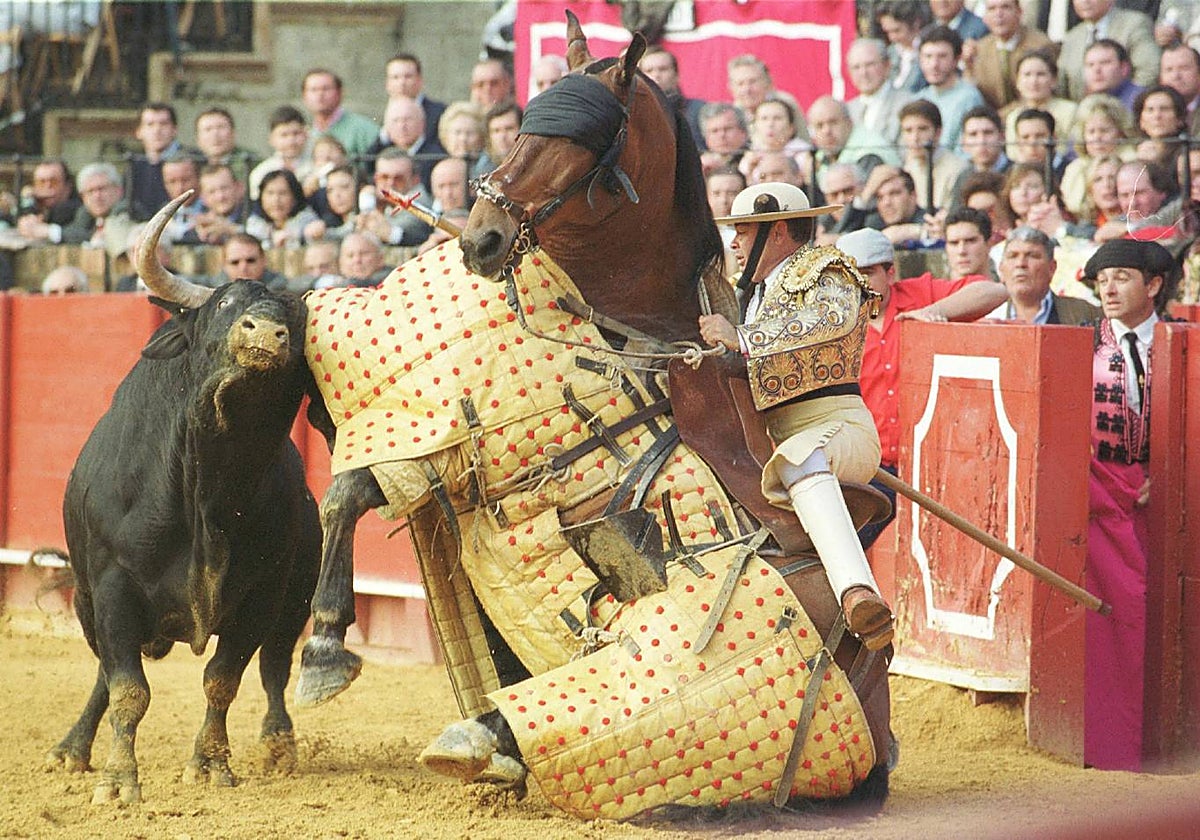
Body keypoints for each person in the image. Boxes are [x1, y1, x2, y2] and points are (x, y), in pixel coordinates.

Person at [696, 181, 894, 650]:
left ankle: (857, 592)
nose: (736, 244)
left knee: (800, 458)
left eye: (743, 231)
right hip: (777, 442)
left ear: (777, 230)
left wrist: (742, 339)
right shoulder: (757, 294)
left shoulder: (826, 268)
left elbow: (831, 320)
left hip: (840, 429)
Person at [837, 221, 1007, 547]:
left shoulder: (919, 293)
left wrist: (934, 311)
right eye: (849, 275)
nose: (858, 283)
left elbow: (995, 291)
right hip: (872, 470)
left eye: (868, 272)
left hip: (933, 466)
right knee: (844, 548)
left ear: (890, 274)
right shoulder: (834, 321)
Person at [1081, 238, 1173, 771]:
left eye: (1121, 277)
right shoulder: (1084, 340)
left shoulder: (1181, 338)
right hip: (1103, 497)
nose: (1109, 289)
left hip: (1172, 497)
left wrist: (1174, 476)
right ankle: (1112, 746)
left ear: (1154, 285)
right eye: (1102, 280)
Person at [988, 225, 1100, 323]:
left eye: (1032, 256)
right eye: (1013, 256)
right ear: (1001, 269)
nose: (1021, 263)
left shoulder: (1085, 315)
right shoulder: (988, 318)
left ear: (1052, 268)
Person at [1058, 0, 1160, 101]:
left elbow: (1149, 70)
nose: (1085, 1)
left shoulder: (1134, 24)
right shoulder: (1072, 37)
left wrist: (1129, 103)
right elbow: (1061, 84)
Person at [966, 0, 1053, 111]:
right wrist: (968, 66)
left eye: (1005, 7)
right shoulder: (980, 49)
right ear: (984, 17)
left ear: (1019, 12)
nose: (999, 14)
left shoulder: (1041, 45)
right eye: (992, 9)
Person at [915, 25, 985, 151]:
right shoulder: (919, 98)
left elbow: (967, 151)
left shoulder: (969, 97)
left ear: (956, 59)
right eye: (928, 56)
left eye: (942, 56)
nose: (934, 64)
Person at [898, 99, 969, 213]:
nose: (915, 138)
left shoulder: (957, 169)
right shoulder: (908, 165)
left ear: (938, 133)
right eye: (908, 130)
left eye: (922, 129)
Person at [365, 96, 445, 190]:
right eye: (396, 120)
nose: (402, 126)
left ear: (422, 123)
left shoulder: (437, 157)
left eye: (408, 120)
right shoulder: (377, 152)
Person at [355, 147, 432, 246]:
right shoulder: (380, 200)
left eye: (398, 179)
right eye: (384, 177)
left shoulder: (419, 200)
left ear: (415, 180)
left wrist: (368, 208)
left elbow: (389, 230)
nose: (390, 184)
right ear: (376, 179)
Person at [128, 102, 192, 221]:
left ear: (174, 129)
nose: (157, 130)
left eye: (163, 124)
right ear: (138, 132)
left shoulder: (192, 159)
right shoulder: (134, 165)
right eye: (150, 124)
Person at [846, 38, 913, 146]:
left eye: (870, 64)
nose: (863, 73)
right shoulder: (847, 110)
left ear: (887, 66)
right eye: (856, 67)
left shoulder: (907, 104)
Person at [301, 68, 379, 159]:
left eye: (326, 89)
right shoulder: (303, 133)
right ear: (304, 96)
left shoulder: (363, 129)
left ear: (339, 93)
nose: (320, 94)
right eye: (313, 90)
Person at [637, 46, 706, 148]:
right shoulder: (633, 113)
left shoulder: (699, 110)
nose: (656, 75)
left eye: (663, 69)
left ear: (676, 75)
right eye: (649, 70)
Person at [247, 105, 312, 201]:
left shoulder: (315, 168)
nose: (291, 141)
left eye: (296, 133)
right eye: (284, 135)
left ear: (306, 135)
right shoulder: (262, 172)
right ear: (271, 139)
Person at [246, 169, 322, 250]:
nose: (276, 200)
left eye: (283, 193)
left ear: (295, 197)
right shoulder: (255, 223)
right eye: (270, 193)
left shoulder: (308, 221)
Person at [60, 162, 130, 249]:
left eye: (102, 189)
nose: (97, 196)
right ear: (83, 197)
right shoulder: (84, 215)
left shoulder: (128, 211)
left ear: (119, 191)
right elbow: (74, 233)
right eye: (90, 191)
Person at [385, 52, 446, 149]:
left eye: (408, 76)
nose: (402, 83)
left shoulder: (440, 113)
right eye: (395, 77)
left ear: (420, 80)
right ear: (387, 84)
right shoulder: (386, 113)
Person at [16, 159, 81, 243]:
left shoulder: (78, 209)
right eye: (41, 182)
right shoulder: (35, 205)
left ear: (67, 186)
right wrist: (27, 201)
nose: (47, 187)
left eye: (53, 182)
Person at [193, 107, 259, 184]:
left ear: (233, 132)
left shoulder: (251, 161)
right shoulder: (192, 165)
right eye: (208, 129)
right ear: (198, 138)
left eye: (221, 127)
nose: (215, 135)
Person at [876, 0, 930, 94]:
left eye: (897, 30)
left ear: (915, 24)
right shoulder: (889, 53)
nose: (892, 38)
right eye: (887, 32)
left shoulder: (931, 50)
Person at [1080, 39, 1147, 110]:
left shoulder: (1142, 101)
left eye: (1104, 63)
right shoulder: (1085, 105)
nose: (1096, 70)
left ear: (1124, 68)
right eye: (1090, 65)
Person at [206, 232, 288, 291]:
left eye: (250, 261)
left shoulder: (282, 287)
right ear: (224, 265)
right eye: (235, 262)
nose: (243, 268)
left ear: (264, 261)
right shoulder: (211, 288)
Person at [192, 163, 248, 245]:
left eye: (224, 188)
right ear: (203, 198)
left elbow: (264, 237)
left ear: (239, 188)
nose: (220, 197)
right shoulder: (198, 227)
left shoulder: (255, 212)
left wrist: (231, 229)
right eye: (212, 192)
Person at [1158, 43, 1200, 114]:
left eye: (1184, 68)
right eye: (1169, 70)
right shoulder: (1153, 113)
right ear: (1160, 78)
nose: (1176, 76)